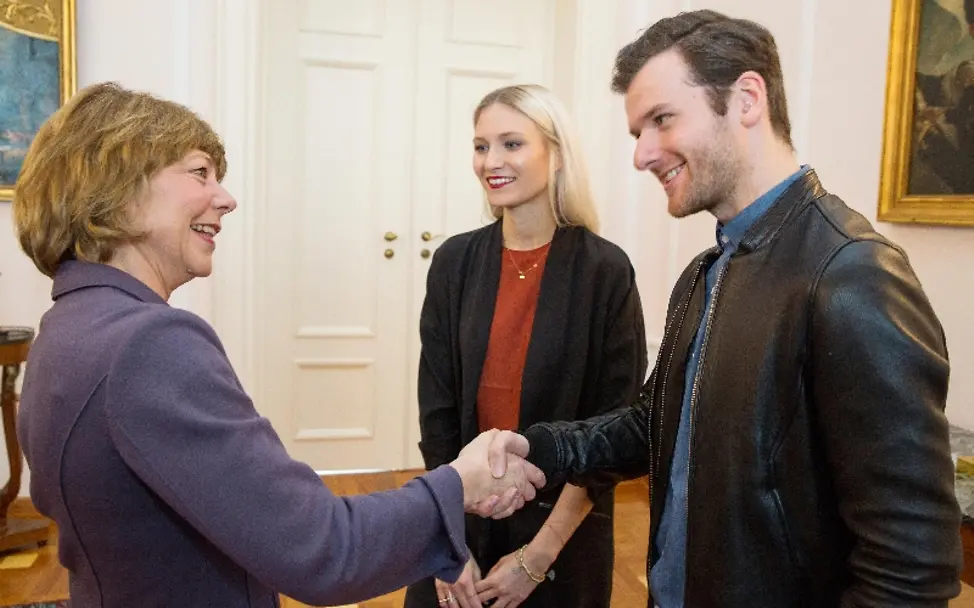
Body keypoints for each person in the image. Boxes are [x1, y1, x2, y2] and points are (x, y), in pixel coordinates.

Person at [12, 81, 546, 608]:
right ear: (118, 187)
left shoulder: (67, 326)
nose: (226, 198)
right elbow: (324, 550)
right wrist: (459, 484)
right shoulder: (148, 344)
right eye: (200, 173)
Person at [508, 10, 963, 608]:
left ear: (747, 99)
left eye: (662, 119)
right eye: (636, 132)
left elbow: (911, 569)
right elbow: (654, 426)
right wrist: (537, 448)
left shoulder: (853, 275)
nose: (642, 154)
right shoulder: (707, 271)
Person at [404, 84, 648, 608]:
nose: (491, 161)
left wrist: (537, 558)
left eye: (512, 144)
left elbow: (616, 428)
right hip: (461, 518)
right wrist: (447, 541)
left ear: (556, 154)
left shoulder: (605, 271)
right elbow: (438, 412)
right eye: (481, 145)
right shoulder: (454, 262)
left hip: (560, 532)